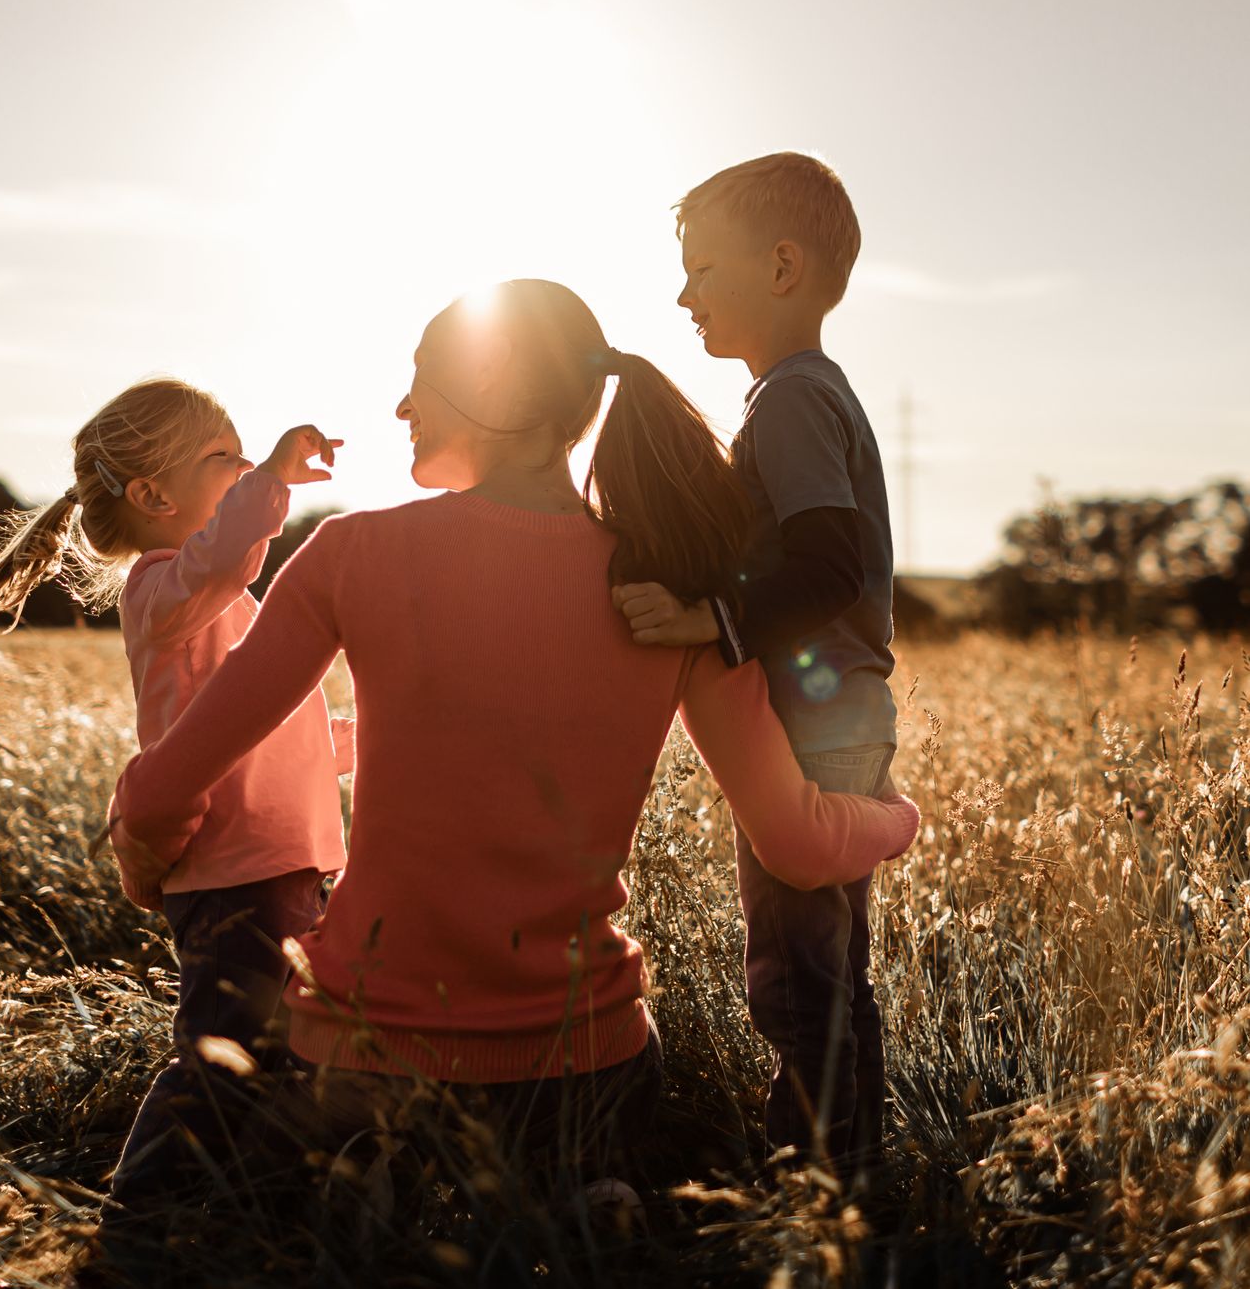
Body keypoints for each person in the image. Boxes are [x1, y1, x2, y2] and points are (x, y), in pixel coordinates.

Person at [103, 280, 919, 1200]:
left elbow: (161, 789)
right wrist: (896, 818)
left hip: (359, 1071)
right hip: (587, 1072)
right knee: (555, 1204)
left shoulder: (346, 555)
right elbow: (802, 846)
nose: (402, 407)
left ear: (489, 388)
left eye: (421, 380)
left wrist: (144, 859)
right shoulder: (673, 599)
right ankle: (575, 1207)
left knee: (320, 1207)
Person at [0, 377, 352, 1218]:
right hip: (233, 877)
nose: (240, 469)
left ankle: (258, 1209)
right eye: (222, 458)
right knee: (220, 1058)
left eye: (242, 456)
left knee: (286, 1053)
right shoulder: (164, 593)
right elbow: (226, 555)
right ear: (152, 495)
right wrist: (271, 476)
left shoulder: (221, 602)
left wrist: (382, 735)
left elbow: (285, 733)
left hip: (283, 867)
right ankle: (141, 1216)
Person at [612, 153, 899, 1176]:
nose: (681, 293)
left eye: (700, 269)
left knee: (797, 974)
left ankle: (818, 1180)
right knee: (828, 966)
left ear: (780, 267)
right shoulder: (808, 393)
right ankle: (845, 1163)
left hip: (817, 724)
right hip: (844, 715)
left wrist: (705, 618)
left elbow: (829, 563)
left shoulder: (786, 401)